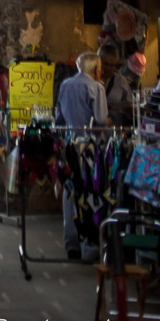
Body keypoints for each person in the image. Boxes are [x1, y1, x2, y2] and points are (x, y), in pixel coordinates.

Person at [55, 51, 107, 261]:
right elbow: (101, 119)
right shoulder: (96, 87)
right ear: (96, 69)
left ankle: (71, 243)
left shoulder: (65, 85)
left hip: (69, 144)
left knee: (70, 192)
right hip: (90, 147)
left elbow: (59, 118)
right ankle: (89, 246)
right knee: (90, 193)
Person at [99, 42, 134, 126]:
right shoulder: (90, 80)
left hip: (115, 128)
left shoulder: (121, 81)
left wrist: (117, 107)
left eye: (112, 65)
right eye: (105, 64)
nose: (108, 68)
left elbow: (131, 104)